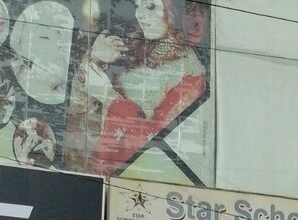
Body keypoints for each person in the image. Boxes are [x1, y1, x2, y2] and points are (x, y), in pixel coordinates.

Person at [65, 0, 205, 176]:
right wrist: (95, 59)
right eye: (138, 6)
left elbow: (156, 146)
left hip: (130, 177)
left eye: (151, 6)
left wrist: (108, 95)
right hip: (93, 168)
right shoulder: (133, 47)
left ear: (173, 10)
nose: (140, 15)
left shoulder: (190, 74)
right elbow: (76, 109)